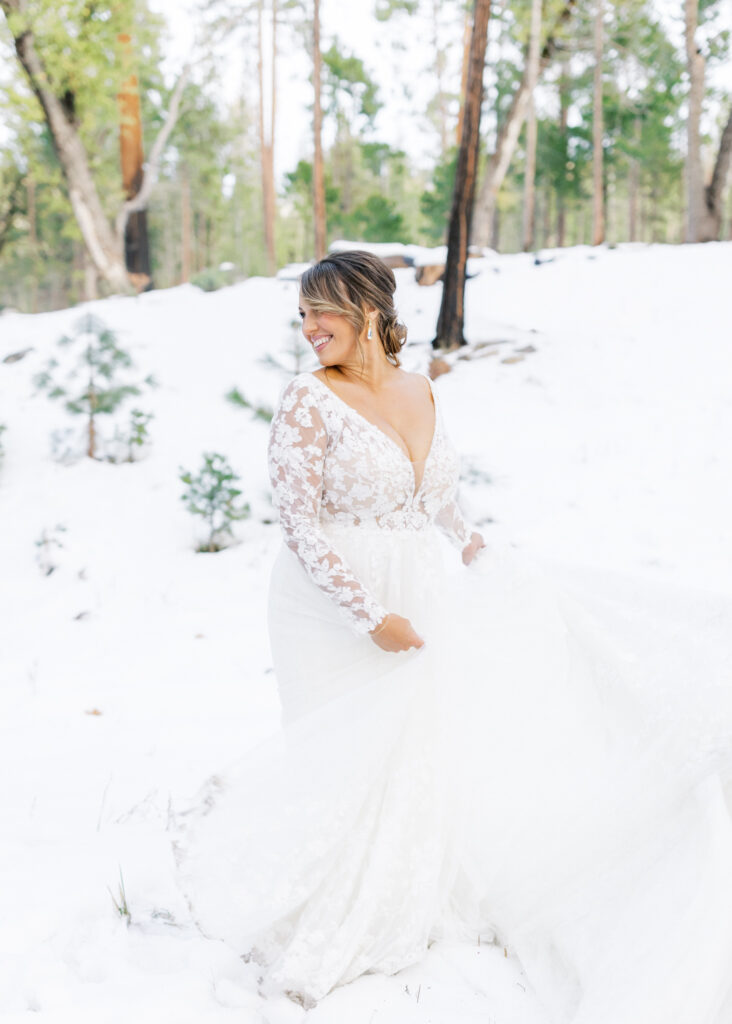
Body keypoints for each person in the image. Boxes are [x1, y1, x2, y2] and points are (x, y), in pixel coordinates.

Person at [175, 250, 732, 1022]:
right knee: (347, 753)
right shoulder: (307, 399)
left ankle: (405, 891)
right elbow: (297, 524)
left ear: (369, 310)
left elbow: (432, 493)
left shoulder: (420, 389)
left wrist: (471, 542)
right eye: (302, 315)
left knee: (419, 743)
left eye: (322, 312)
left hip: (418, 584)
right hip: (329, 603)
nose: (308, 328)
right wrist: (369, 616)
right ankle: (329, 906)